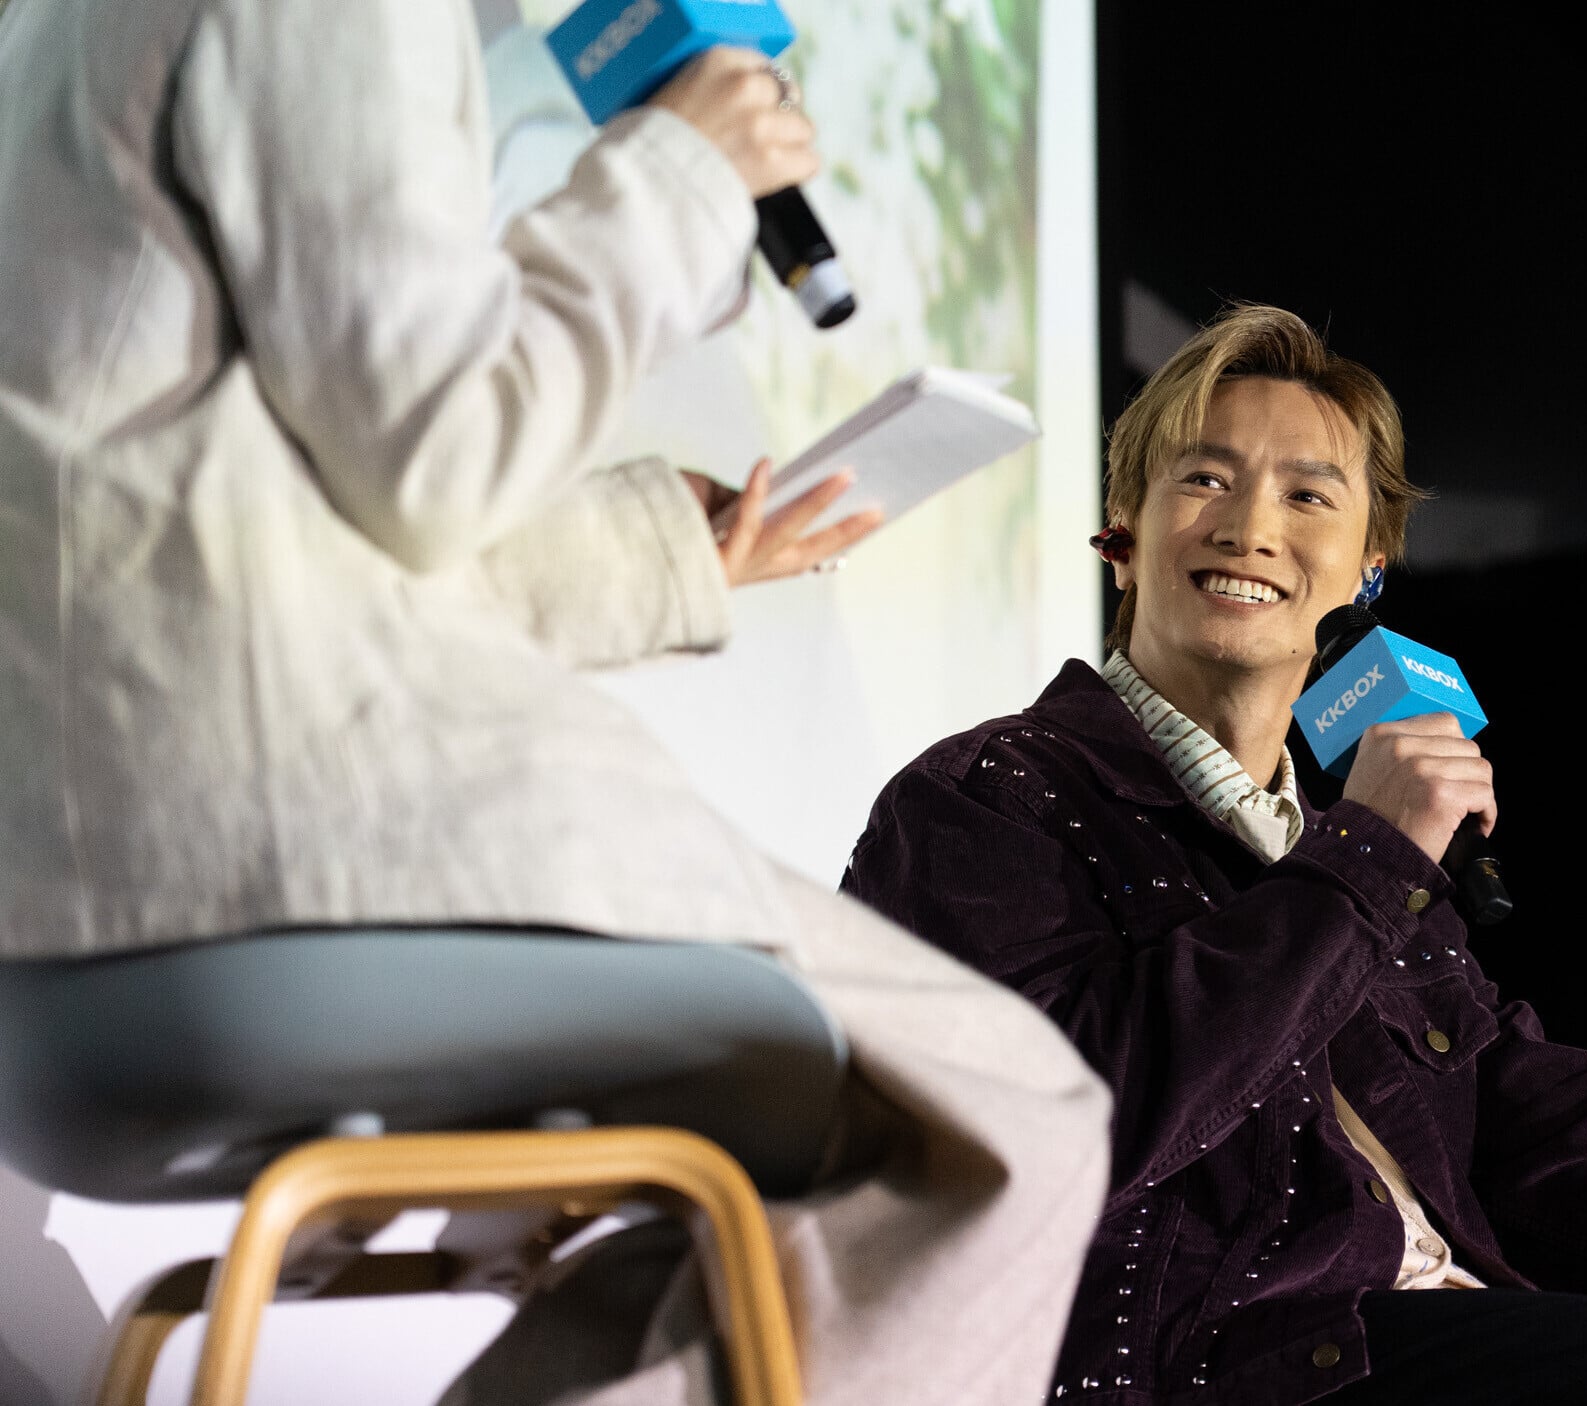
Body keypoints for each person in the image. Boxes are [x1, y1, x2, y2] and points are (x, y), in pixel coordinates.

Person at [0, 3, 1107, 1403]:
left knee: (756, 1222)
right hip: (261, 863)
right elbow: (439, 454)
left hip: (85, 908)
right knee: (1005, 1114)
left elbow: (251, 546)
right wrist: (679, 172)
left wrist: (664, 550)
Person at [841, 305, 1587, 1406]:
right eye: (1204, 479)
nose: (1251, 526)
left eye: (1308, 494)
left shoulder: (1352, 851)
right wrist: (1369, 856)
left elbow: (1563, 1129)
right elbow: (1054, 1133)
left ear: (1369, 572)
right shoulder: (991, 796)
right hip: (1217, 1363)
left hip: (1420, 1330)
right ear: (1121, 537)